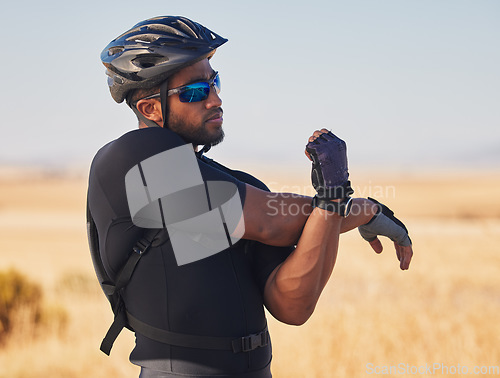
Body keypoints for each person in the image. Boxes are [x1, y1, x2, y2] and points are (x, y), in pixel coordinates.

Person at [87, 16, 413, 378]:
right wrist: (361, 209)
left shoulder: (235, 185)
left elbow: (293, 304)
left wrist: (333, 197)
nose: (215, 98)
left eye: (215, 82)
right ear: (150, 109)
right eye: (195, 91)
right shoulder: (133, 157)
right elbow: (274, 221)